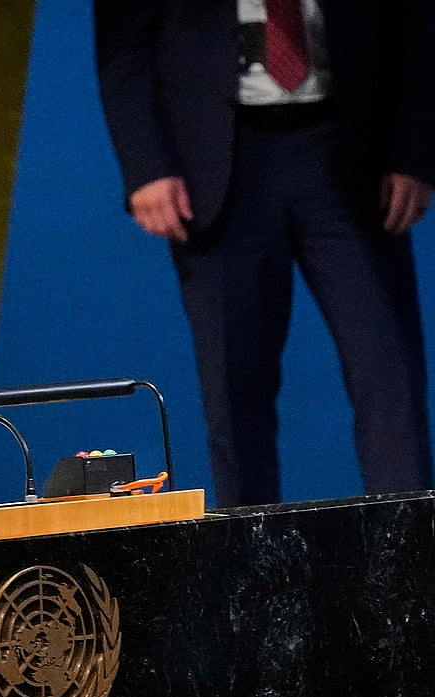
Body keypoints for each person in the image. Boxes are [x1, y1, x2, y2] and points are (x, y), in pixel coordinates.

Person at [93, 0, 435, 507]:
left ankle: (409, 565)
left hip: (351, 148)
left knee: (390, 376)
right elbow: (122, 44)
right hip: (217, 161)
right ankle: (254, 573)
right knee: (235, 393)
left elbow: (416, 26)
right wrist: (144, 165)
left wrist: (415, 152)